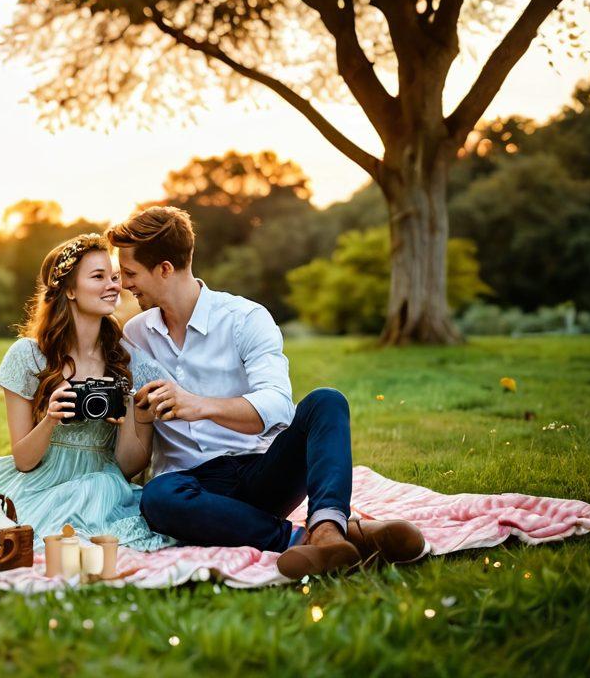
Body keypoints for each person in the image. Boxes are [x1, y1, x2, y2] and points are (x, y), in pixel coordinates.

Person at [106, 206, 426, 578]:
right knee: (158, 499)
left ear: (164, 268)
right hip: (192, 490)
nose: (125, 284)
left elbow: (276, 406)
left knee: (327, 400)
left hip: (261, 471)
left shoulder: (245, 319)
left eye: (130, 273)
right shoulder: (135, 336)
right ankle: (311, 539)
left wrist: (200, 406)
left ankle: (326, 526)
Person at [0, 234, 173, 551]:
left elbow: (128, 466)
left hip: (102, 484)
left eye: (114, 277)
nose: (113, 285)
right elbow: (24, 461)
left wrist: (131, 413)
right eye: (98, 277)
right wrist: (50, 419)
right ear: (69, 289)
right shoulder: (28, 356)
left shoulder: (129, 360)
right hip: (37, 481)